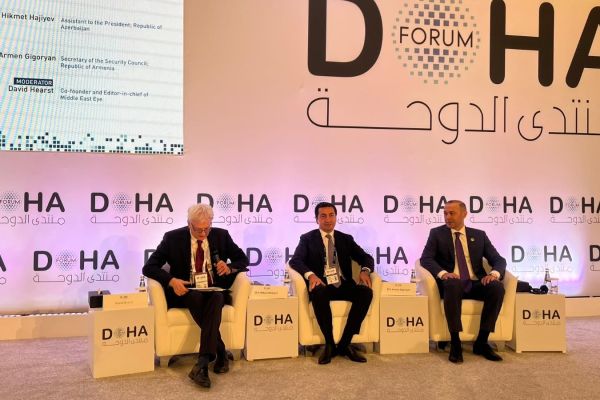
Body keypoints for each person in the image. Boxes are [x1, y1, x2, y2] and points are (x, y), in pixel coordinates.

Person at [143, 203, 248, 388]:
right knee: (196, 298)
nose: (203, 233)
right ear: (189, 224)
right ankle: (219, 351)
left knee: (217, 297)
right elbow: (149, 267)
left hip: (214, 288)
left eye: (207, 228)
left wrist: (229, 267)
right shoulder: (172, 238)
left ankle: (202, 364)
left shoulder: (221, 236)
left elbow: (243, 259)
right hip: (186, 290)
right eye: (198, 229)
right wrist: (171, 280)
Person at [420, 200, 506, 363]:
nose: (447, 217)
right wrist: (444, 274)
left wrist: (494, 274)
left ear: (464, 214)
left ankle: (482, 342)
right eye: (445, 213)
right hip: (452, 284)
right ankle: (455, 342)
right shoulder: (437, 234)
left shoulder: (479, 235)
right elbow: (426, 259)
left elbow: (498, 259)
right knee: (453, 283)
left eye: (452, 213)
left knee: (496, 288)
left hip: (475, 282)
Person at [289, 202, 374, 364]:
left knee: (366, 292)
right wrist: (311, 275)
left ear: (335, 217)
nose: (328, 220)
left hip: (343, 284)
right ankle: (329, 343)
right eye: (323, 216)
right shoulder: (307, 239)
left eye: (331, 215)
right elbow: (296, 260)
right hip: (322, 284)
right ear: (317, 219)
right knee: (318, 292)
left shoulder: (345, 239)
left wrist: (365, 270)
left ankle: (345, 343)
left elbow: (366, 257)